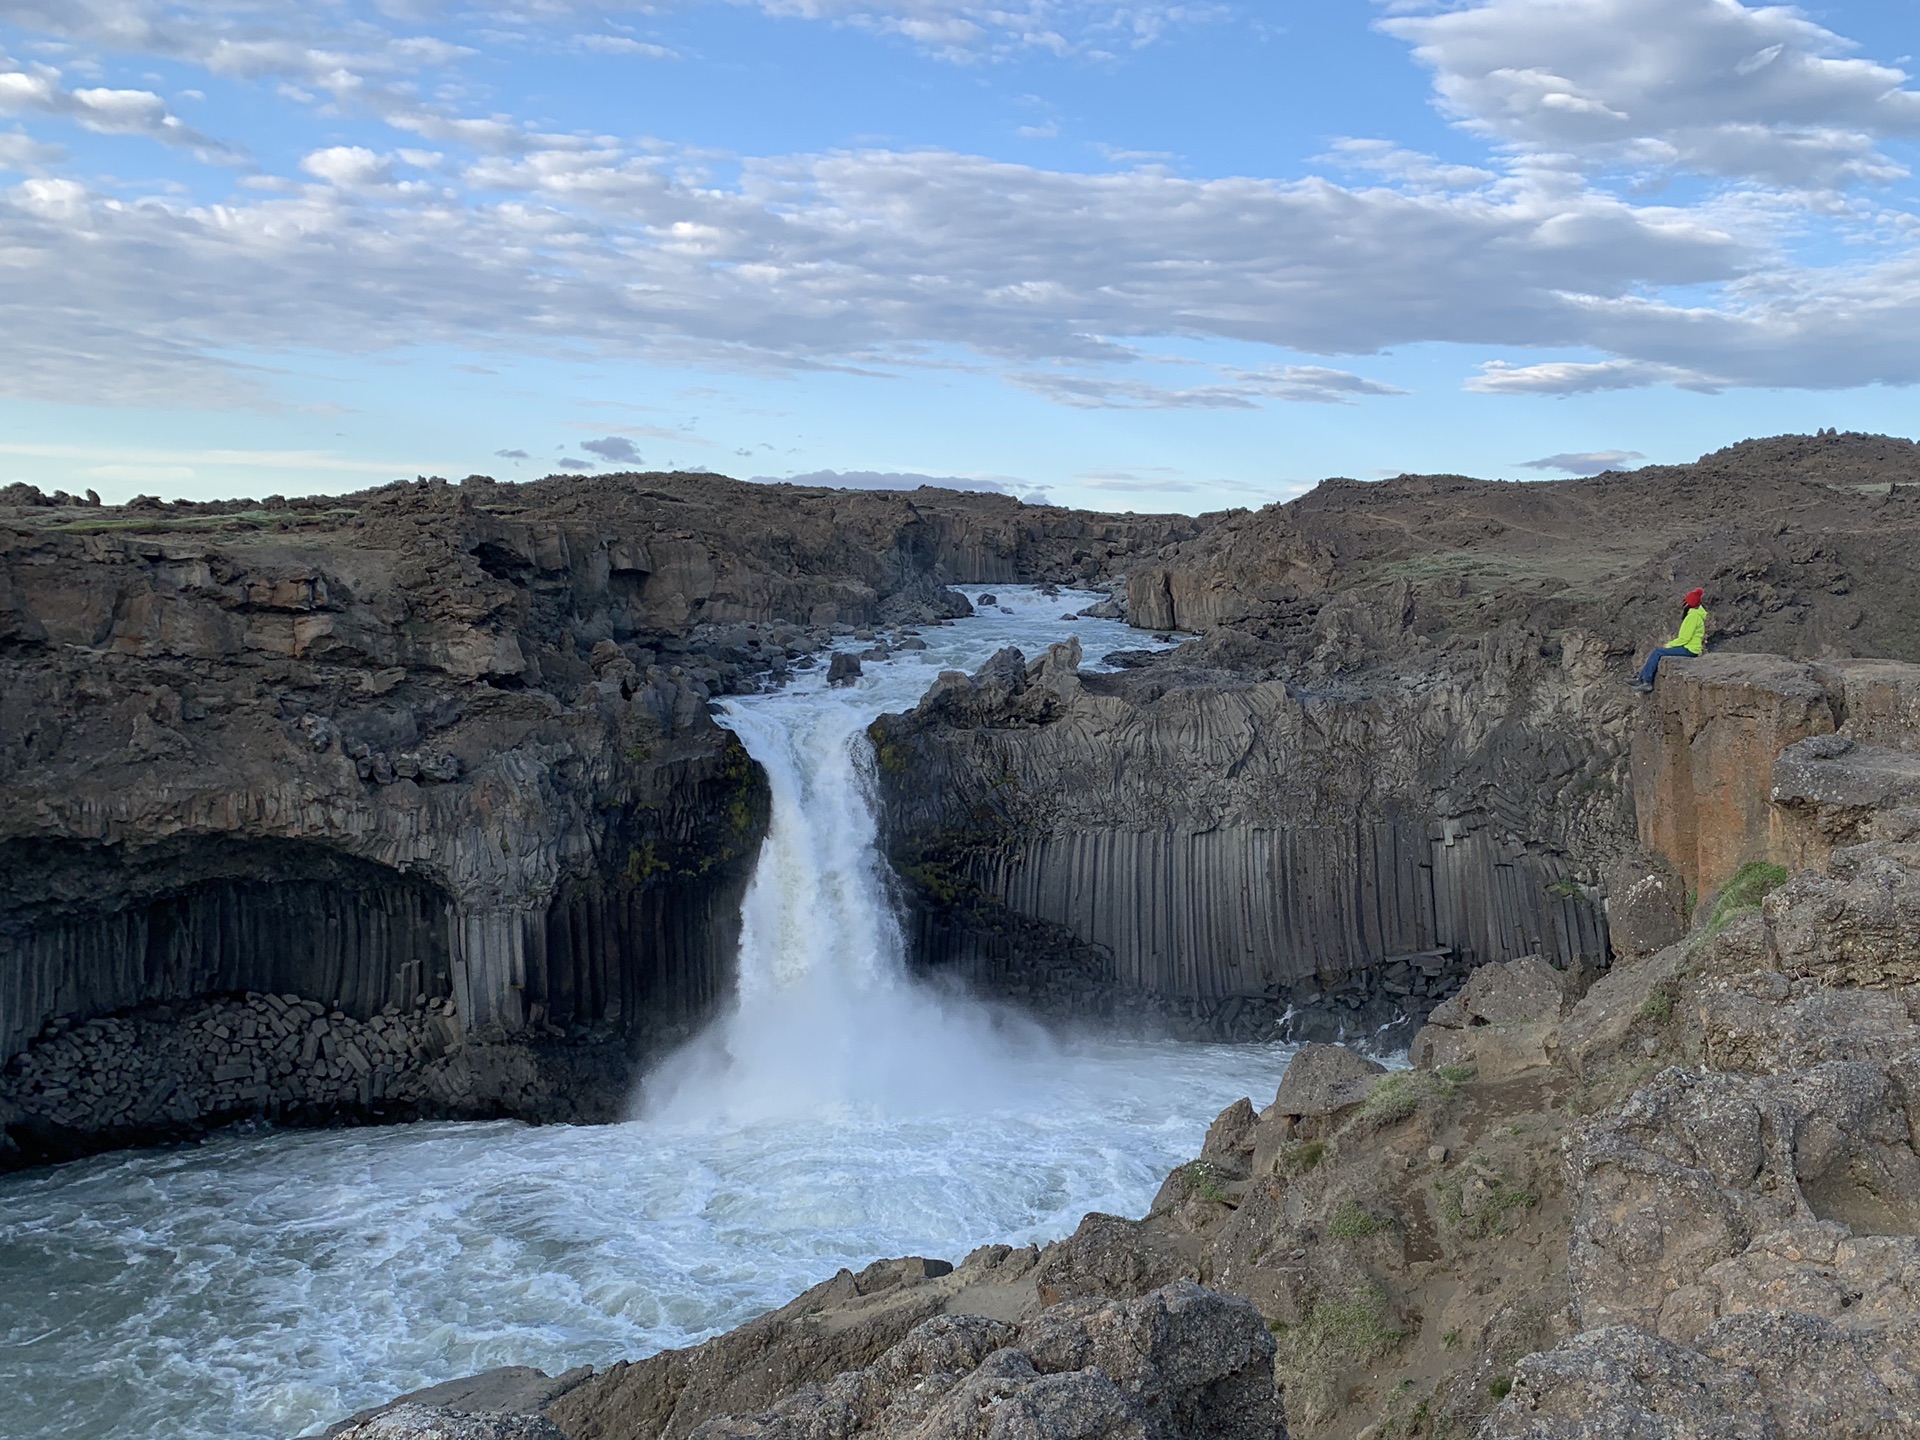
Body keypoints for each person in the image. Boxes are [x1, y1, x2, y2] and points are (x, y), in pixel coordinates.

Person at [1634, 587, 1708, 692]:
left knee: (1658, 652)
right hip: (1691, 648)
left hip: (1690, 649)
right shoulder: (1695, 615)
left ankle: (1647, 681)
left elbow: (1684, 638)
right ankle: (1640, 678)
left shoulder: (1692, 617)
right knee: (1658, 652)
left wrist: (1670, 645)